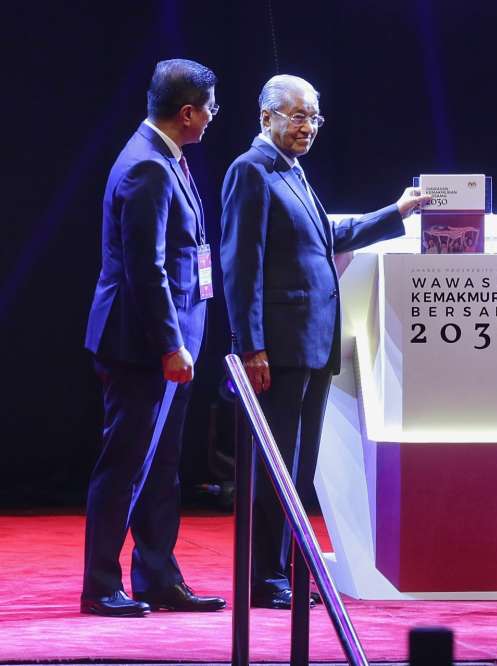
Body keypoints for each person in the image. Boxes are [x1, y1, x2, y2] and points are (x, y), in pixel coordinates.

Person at [220, 74, 430, 609]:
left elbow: (327, 237)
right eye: (297, 116)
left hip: (313, 346)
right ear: (265, 116)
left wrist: (396, 213)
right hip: (278, 351)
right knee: (278, 467)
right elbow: (240, 265)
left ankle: (284, 569)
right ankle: (266, 577)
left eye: (314, 117)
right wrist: (251, 345)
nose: (307, 126)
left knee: (299, 468)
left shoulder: (294, 173)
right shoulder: (251, 172)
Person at [81, 59, 226, 617]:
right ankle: (99, 585)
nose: (213, 117)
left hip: (171, 341)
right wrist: (171, 344)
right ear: (187, 112)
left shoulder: (167, 157)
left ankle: (158, 577)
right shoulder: (147, 167)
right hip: (139, 345)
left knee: (162, 466)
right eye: (210, 107)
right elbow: (148, 270)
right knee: (125, 465)